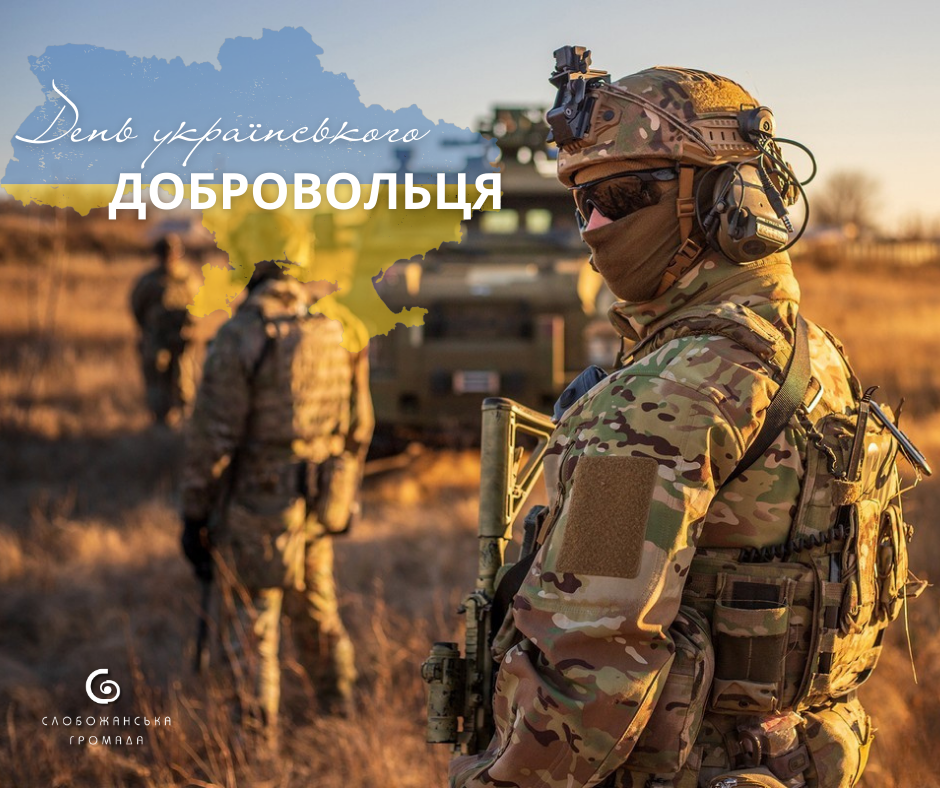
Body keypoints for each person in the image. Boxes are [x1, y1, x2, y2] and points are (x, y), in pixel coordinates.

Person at [450, 59, 920, 788]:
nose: (592, 226)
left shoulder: (659, 401)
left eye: (619, 195)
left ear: (723, 199)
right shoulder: (811, 352)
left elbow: (590, 667)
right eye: (582, 202)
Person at [180, 260, 374, 739]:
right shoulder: (335, 332)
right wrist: (338, 488)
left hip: (259, 503)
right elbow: (359, 428)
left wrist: (194, 513)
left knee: (251, 623)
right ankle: (340, 716)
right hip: (319, 500)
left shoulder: (241, 336)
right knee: (317, 611)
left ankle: (251, 741)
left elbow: (212, 440)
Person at [130, 233, 199, 425]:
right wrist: (150, 328)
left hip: (181, 338)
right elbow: (137, 307)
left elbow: (199, 305)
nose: (169, 257)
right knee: (157, 380)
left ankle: (184, 421)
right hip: (156, 339)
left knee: (183, 380)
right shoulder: (149, 281)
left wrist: (189, 326)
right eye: (165, 253)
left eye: (172, 252)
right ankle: (160, 422)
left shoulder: (187, 279)